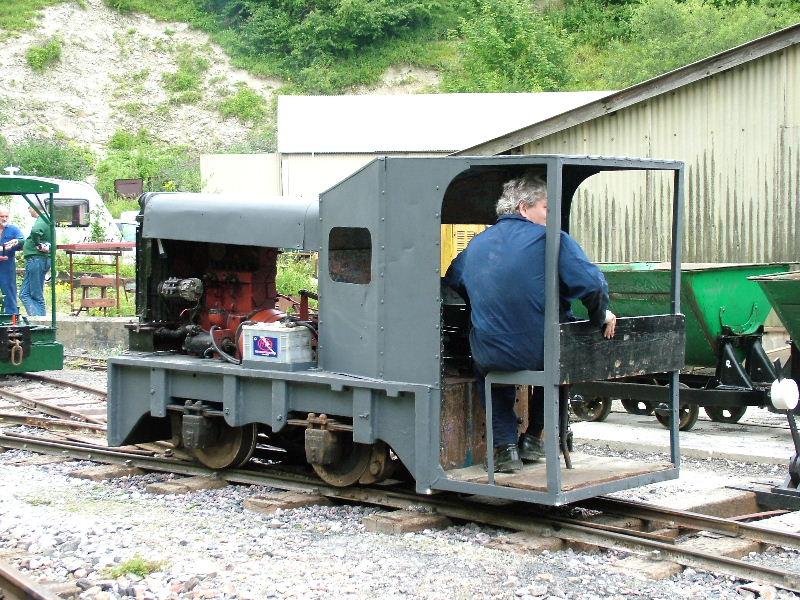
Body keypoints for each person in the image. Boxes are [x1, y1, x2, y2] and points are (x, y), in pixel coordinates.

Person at [445, 174, 616, 473]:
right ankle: (534, 437)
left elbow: (454, 277)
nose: (550, 216)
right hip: (541, 351)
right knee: (562, 362)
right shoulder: (552, 239)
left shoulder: (477, 244)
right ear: (524, 208)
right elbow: (592, 284)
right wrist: (600, 314)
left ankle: (504, 449)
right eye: (546, 208)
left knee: (489, 370)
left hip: (491, 352)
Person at [20, 205, 53, 317]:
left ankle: (41, 321)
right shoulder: (46, 220)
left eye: (29, 207)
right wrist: (19, 242)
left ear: (34, 207)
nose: (28, 210)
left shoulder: (43, 218)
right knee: (24, 294)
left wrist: (38, 244)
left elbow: (35, 231)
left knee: (36, 294)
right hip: (36, 259)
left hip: (37, 259)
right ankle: (35, 318)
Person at [0, 207, 26, 315]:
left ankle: (12, 317)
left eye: (6, 216)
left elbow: (22, 240)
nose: (4, 219)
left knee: (9, 291)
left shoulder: (13, 229)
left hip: (7, 266)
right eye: (2, 216)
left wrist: (16, 242)